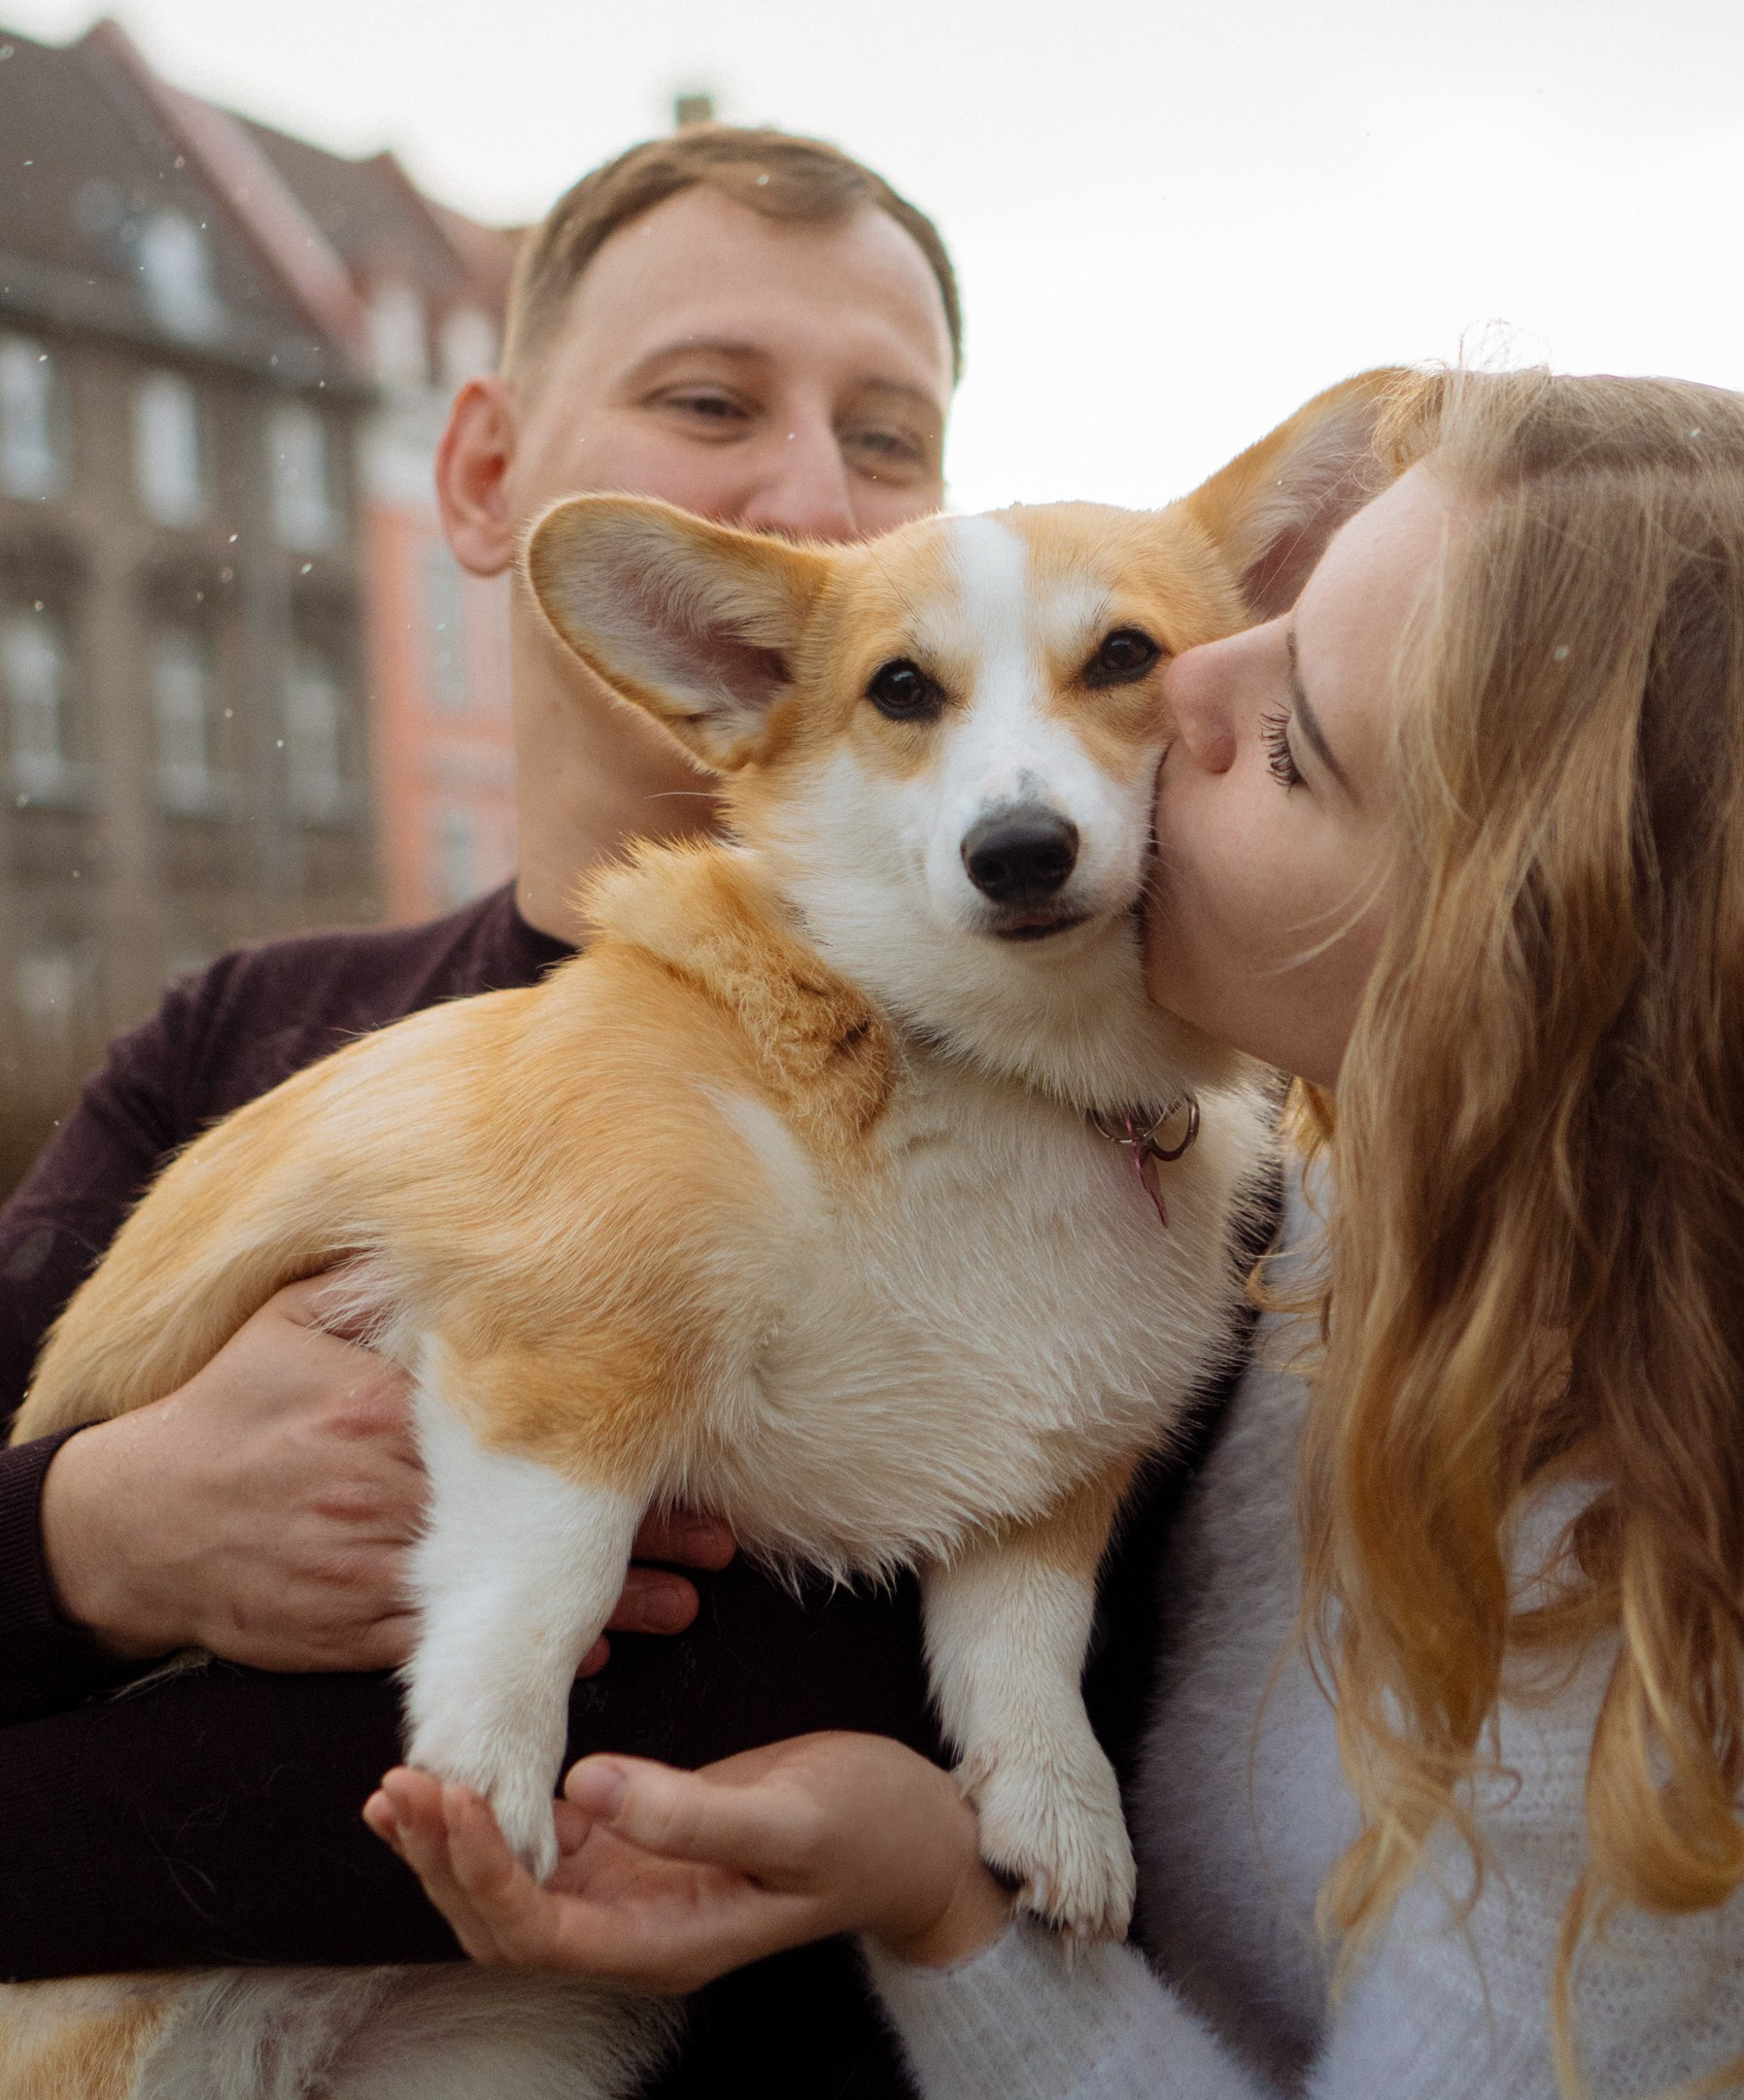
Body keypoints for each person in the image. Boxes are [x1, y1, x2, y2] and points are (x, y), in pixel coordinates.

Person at [378, 366, 1744, 2098]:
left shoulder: (1725, 1675)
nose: (1185, 676)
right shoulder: (1337, 1220)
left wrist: (937, 1904)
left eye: (1290, 738)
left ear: (1530, 936)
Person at [0, 123, 1024, 2091]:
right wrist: (102, 1533)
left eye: (889, 440)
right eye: (711, 400)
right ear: (483, 475)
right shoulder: (246, 1034)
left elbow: (783, 1727)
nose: (810, 492)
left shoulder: (1030, 1083)